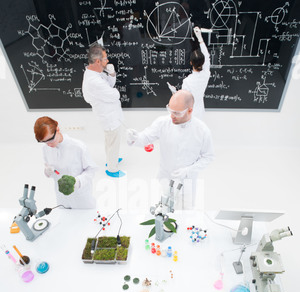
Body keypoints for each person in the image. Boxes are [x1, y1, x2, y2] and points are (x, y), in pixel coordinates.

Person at [127, 90, 214, 209]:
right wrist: (135, 138)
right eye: (170, 110)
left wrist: (188, 170)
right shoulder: (162, 123)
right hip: (165, 179)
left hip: (186, 184)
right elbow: (145, 137)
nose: (172, 115)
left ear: (190, 110)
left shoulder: (202, 130)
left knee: (184, 215)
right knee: (165, 213)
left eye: (177, 113)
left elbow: (208, 157)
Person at [34, 116, 98, 209]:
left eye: (51, 139)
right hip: (61, 197)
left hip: (80, 196)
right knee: (66, 219)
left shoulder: (78, 146)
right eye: (44, 142)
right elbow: (50, 169)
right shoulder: (46, 148)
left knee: (86, 219)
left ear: (57, 129)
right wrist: (47, 172)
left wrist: (78, 182)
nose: (49, 144)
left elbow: (91, 170)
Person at [82, 44, 125, 178]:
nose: (108, 61)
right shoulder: (94, 80)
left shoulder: (95, 72)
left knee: (110, 140)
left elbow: (110, 85)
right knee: (113, 141)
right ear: (98, 61)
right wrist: (113, 92)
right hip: (108, 117)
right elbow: (115, 94)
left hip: (110, 113)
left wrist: (111, 74)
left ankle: (111, 158)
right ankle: (112, 169)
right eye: (105, 59)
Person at [168, 27, 211, 121]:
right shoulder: (206, 74)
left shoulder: (187, 81)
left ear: (190, 63)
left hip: (191, 113)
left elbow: (183, 100)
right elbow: (207, 56)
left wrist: (174, 92)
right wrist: (200, 38)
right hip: (200, 110)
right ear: (203, 62)